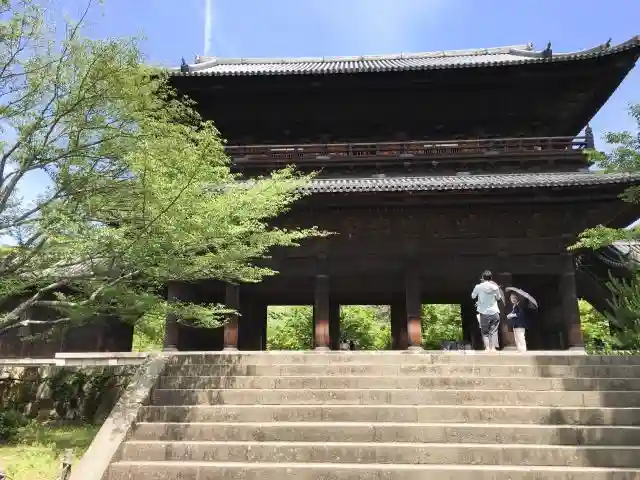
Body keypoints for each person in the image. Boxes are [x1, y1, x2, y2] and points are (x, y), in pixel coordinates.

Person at [471, 270, 503, 352]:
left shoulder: (478, 287)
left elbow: (473, 296)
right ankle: (493, 348)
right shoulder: (495, 287)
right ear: (491, 278)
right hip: (494, 311)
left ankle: (487, 348)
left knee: (485, 332)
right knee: (494, 331)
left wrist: (480, 297)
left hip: (483, 312)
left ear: (482, 277)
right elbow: (499, 298)